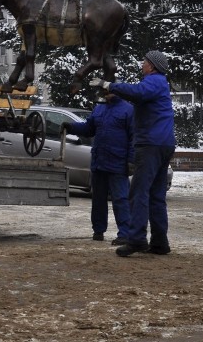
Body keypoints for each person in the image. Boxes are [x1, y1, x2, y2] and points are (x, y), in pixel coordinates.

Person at [90, 50, 175, 257]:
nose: (141, 64)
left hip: (150, 144)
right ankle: (159, 242)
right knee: (156, 195)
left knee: (138, 192)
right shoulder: (160, 84)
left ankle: (136, 239)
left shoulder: (154, 81)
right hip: (163, 144)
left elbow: (137, 92)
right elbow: (136, 94)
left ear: (152, 66)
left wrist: (108, 85)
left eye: (144, 62)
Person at [62, 93, 134, 246]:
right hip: (100, 161)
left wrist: (131, 161)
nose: (105, 93)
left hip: (118, 163)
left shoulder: (128, 110)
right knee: (98, 199)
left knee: (121, 199)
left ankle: (125, 234)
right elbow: (89, 128)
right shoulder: (99, 109)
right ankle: (98, 231)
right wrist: (72, 127)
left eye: (108, 89)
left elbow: (134, 137)